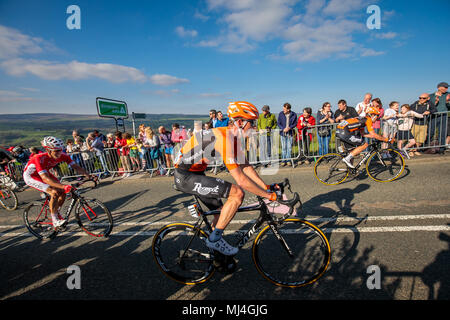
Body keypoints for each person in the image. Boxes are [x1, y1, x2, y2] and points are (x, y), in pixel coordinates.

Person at [174, 101, 280, 256]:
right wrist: (270, 196)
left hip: (196, 174)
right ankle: (215, 239)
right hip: (185, 176)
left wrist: (266, 187)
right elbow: (241, 180)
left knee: (220, 213)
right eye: (253, 123)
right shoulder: (223, 138)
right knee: (237, 193)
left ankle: (216, 255)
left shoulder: (233, 137)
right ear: (240, 122)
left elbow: (245, 166)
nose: (255, 127)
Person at [22, 136, 95, 227]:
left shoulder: (62, 156)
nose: (59, 153)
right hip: (31, 176)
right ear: (48, 150)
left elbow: (75, 167)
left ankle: (56, 211)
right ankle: (55, 220)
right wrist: (63, 186)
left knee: (63, 192)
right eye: (56, 151)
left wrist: (88, 175)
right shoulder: (38, 158)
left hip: (45, 174)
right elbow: (45, 179)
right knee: (54, 192)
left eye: (61, 150)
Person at [429, 82, 450, 154]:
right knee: (430, 132)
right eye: (445, 87)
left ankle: (441, 149)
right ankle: (426, 147)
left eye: (447, 87)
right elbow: (429, 106)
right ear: (439, 87)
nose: (446, 89)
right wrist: (435, 100)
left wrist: (447, 102)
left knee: (442, 133)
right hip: (433, 117)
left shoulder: (448, 95)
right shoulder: (431, 96)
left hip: (443, 116)